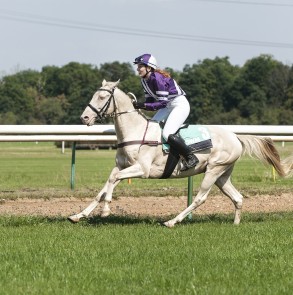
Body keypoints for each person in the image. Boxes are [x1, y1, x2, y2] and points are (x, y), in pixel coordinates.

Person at [133, 53, 198, 170]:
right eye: (138, 66)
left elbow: (161, 103)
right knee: (151, 128)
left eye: (140, 66)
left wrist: (143, 105)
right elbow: (150, 100)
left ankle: (190, 157)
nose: (138, 69)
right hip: (167, 106)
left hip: (179, 105)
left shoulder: (158, 78)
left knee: (166, 134)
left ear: (149, 67)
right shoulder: (144, 81)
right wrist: (141, 105)